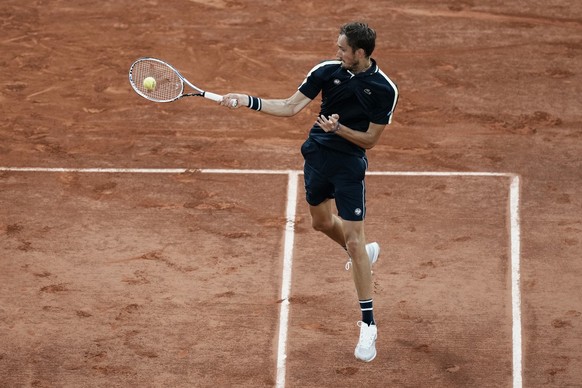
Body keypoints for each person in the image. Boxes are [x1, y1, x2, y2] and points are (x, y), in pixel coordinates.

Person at [219, 21, 398, 362]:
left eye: (343, 48)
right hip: (316, 158)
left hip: (348, 168)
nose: (337, 52)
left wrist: (339, 128)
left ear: (360, 53)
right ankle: (362, 253)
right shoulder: (326, 71)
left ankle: (368, 324)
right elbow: (289, 107)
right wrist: (246, 100)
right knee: (320, 222)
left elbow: (371, 141)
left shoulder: (384, 88)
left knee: (355, 241)